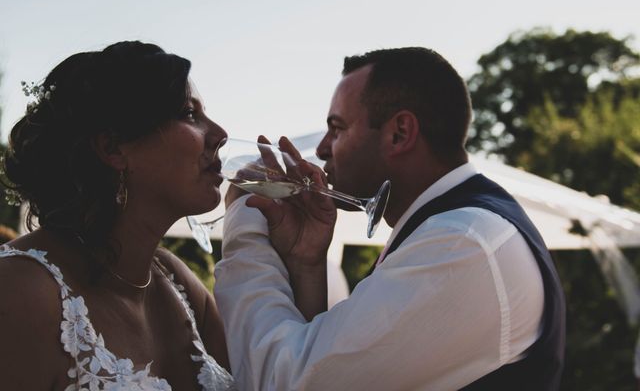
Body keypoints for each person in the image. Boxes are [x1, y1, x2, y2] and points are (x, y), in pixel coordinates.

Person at [214, 47, 566, 390]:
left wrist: (245, 221)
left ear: (400, 133)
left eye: (337, 128)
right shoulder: (451, 230)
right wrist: (306, 263)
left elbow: (287, 382)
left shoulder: (462, 242)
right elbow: (327, 362)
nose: (322, 149)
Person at [0, 41, 236, 390]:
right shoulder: (21, 293)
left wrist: (299, 261)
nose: (220, 134)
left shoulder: (178, 283)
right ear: (112, 148)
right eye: (189, 113)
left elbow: (283, 379)